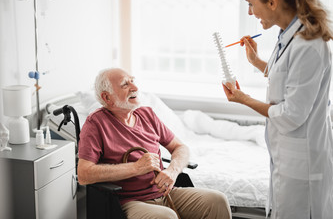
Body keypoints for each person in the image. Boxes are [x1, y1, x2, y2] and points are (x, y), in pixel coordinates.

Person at [222, 0, 333, 218]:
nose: (250, 12)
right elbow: (288, 78)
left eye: (251, 4)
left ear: (272, 2)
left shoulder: (308, 43)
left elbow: (291, 114)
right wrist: (257, 62)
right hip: (288, 158)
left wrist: (244, 99)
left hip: (304, 164)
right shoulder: (289, 35)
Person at [77, 68, 231, 219]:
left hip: (165, 193)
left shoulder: (147, 114)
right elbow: (84, 174)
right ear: (107, 98)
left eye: (132, 81)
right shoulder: (95, 124)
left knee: (217, 201)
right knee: (167, 216)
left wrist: (172, 171)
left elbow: (180, 147)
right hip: (130, 201)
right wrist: (135, 168)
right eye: (125, 84)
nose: (135, 87)